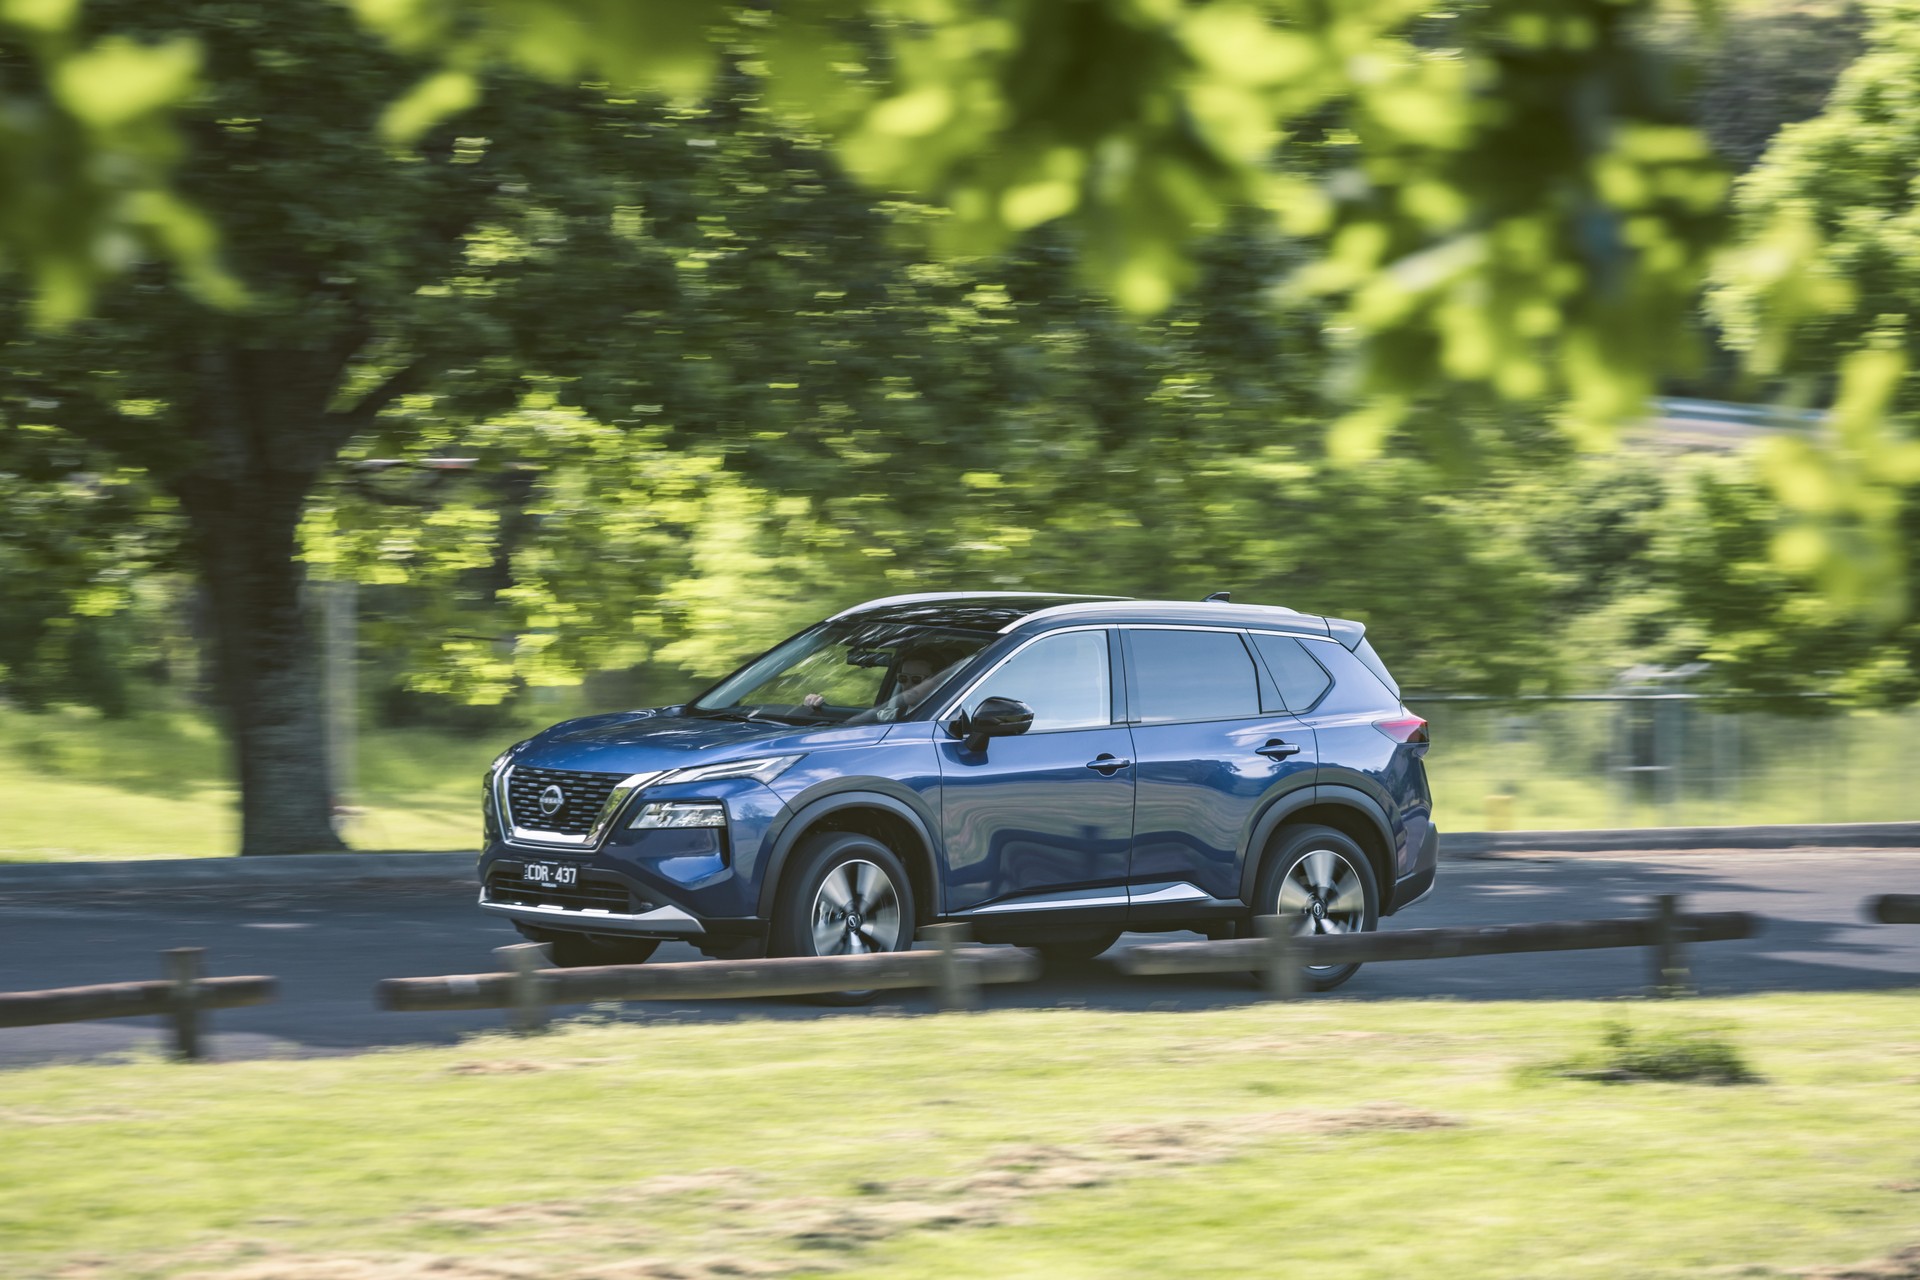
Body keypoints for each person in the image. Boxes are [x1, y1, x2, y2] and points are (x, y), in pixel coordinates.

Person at [805, 652, 944, 721]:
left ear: (936, 682)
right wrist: (819, 708)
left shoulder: (945, 714)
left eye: (916, 680)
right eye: (902, 678)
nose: (907, 684)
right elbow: (856, 722)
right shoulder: (893, 711)